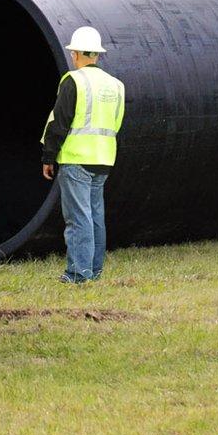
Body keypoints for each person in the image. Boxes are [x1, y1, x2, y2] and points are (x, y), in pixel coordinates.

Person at [40, 26, 126, 284]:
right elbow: (117, 122)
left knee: (78, 218)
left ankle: (78, 274)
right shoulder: (116, 85)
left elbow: (59, 123)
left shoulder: (73, 81)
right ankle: (94, 271)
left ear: (76, 54)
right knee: (95, 216)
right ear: (97, 55)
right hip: (104, 158)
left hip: (76, 158)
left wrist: (48, 156)